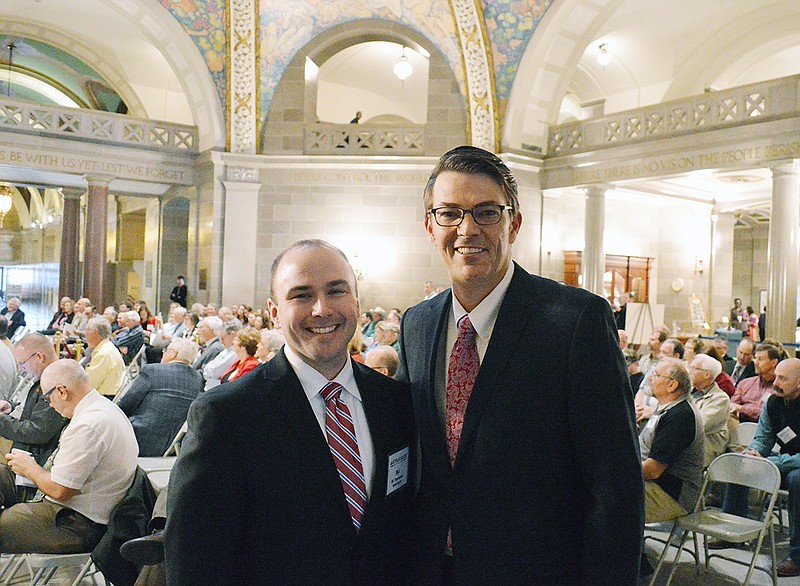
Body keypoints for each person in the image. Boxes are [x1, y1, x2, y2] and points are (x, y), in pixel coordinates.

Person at [396, 146, 643, 583]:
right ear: (429, 227)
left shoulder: (575, 321)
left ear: (514, 222)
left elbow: (615, 488)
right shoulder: (417, 324)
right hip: (433, 567)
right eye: (449, 213)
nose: (467, 229)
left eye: (487, 212)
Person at [165, 239, 415, 584]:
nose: (321, 309)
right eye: (301, 295)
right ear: (274, 312)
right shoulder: (226, 415)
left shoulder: (396, 402)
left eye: (336, 291)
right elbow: (194, 562)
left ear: (356, 301)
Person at [0, 359, 138, 553]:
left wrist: (29, 467)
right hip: (71, 505)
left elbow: (60, 491)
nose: (51, 406)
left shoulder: (89, 425)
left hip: (75, 522)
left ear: (62, 392)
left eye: (48, 399)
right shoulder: (101, 408)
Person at [711, 358, 800, 577]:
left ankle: (797, 556)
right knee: (741, 463)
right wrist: (754, 452)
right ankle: (732, 531)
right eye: (776, 376)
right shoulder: (774, 402)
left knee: (797, 480)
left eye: (783, 378)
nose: (775, 382)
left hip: (793, 463)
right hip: (783, 457)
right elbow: (763, 438)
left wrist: (773, 462)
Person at [0, 334, 67, 504]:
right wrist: (11, 408)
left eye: (22, 363)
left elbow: (38, 431)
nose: (21, 369)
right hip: (28, 450)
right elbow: (36, 415)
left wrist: (1, 421)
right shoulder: (47, 378)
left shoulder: (55, 384)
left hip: (34, 462)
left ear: (39, 357)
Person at [639, 359, 704, 524]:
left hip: (671, 495)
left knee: (603, 495)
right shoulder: (666, 407)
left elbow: (653, 470)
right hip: (653, 484)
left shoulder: (680, 416)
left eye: (656, 375)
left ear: (672, 385)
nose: (650, 378)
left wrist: (615, 472)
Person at [118, 338, 203, 457]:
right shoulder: (198, 379)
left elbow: (126, 405)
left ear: (173, 353)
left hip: (138, 438)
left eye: (166, 350)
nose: (163, 353)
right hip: (173, 446)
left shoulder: (153, 370)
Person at [688, 354, 731, 467]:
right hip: (686, 445)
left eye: (694, 368)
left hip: (703, 450)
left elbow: (697, 425)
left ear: (707, 374)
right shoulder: (688, 392)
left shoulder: (720, 399)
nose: (689, 371)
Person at [730, 343, 781, 423]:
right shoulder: (744, 383)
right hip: (741, 427)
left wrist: (741, 408)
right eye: (755, 358)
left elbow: (767, 414)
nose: (756, 363)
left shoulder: (780, 388)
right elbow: (731, 406)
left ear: (773, 362)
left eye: (760, 359)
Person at [84, 317, 126, 400]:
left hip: (105, 399)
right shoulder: (107, 347)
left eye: (86, 330)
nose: (84, 334)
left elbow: (89, 386)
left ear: (94, 333)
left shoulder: (103, 354)